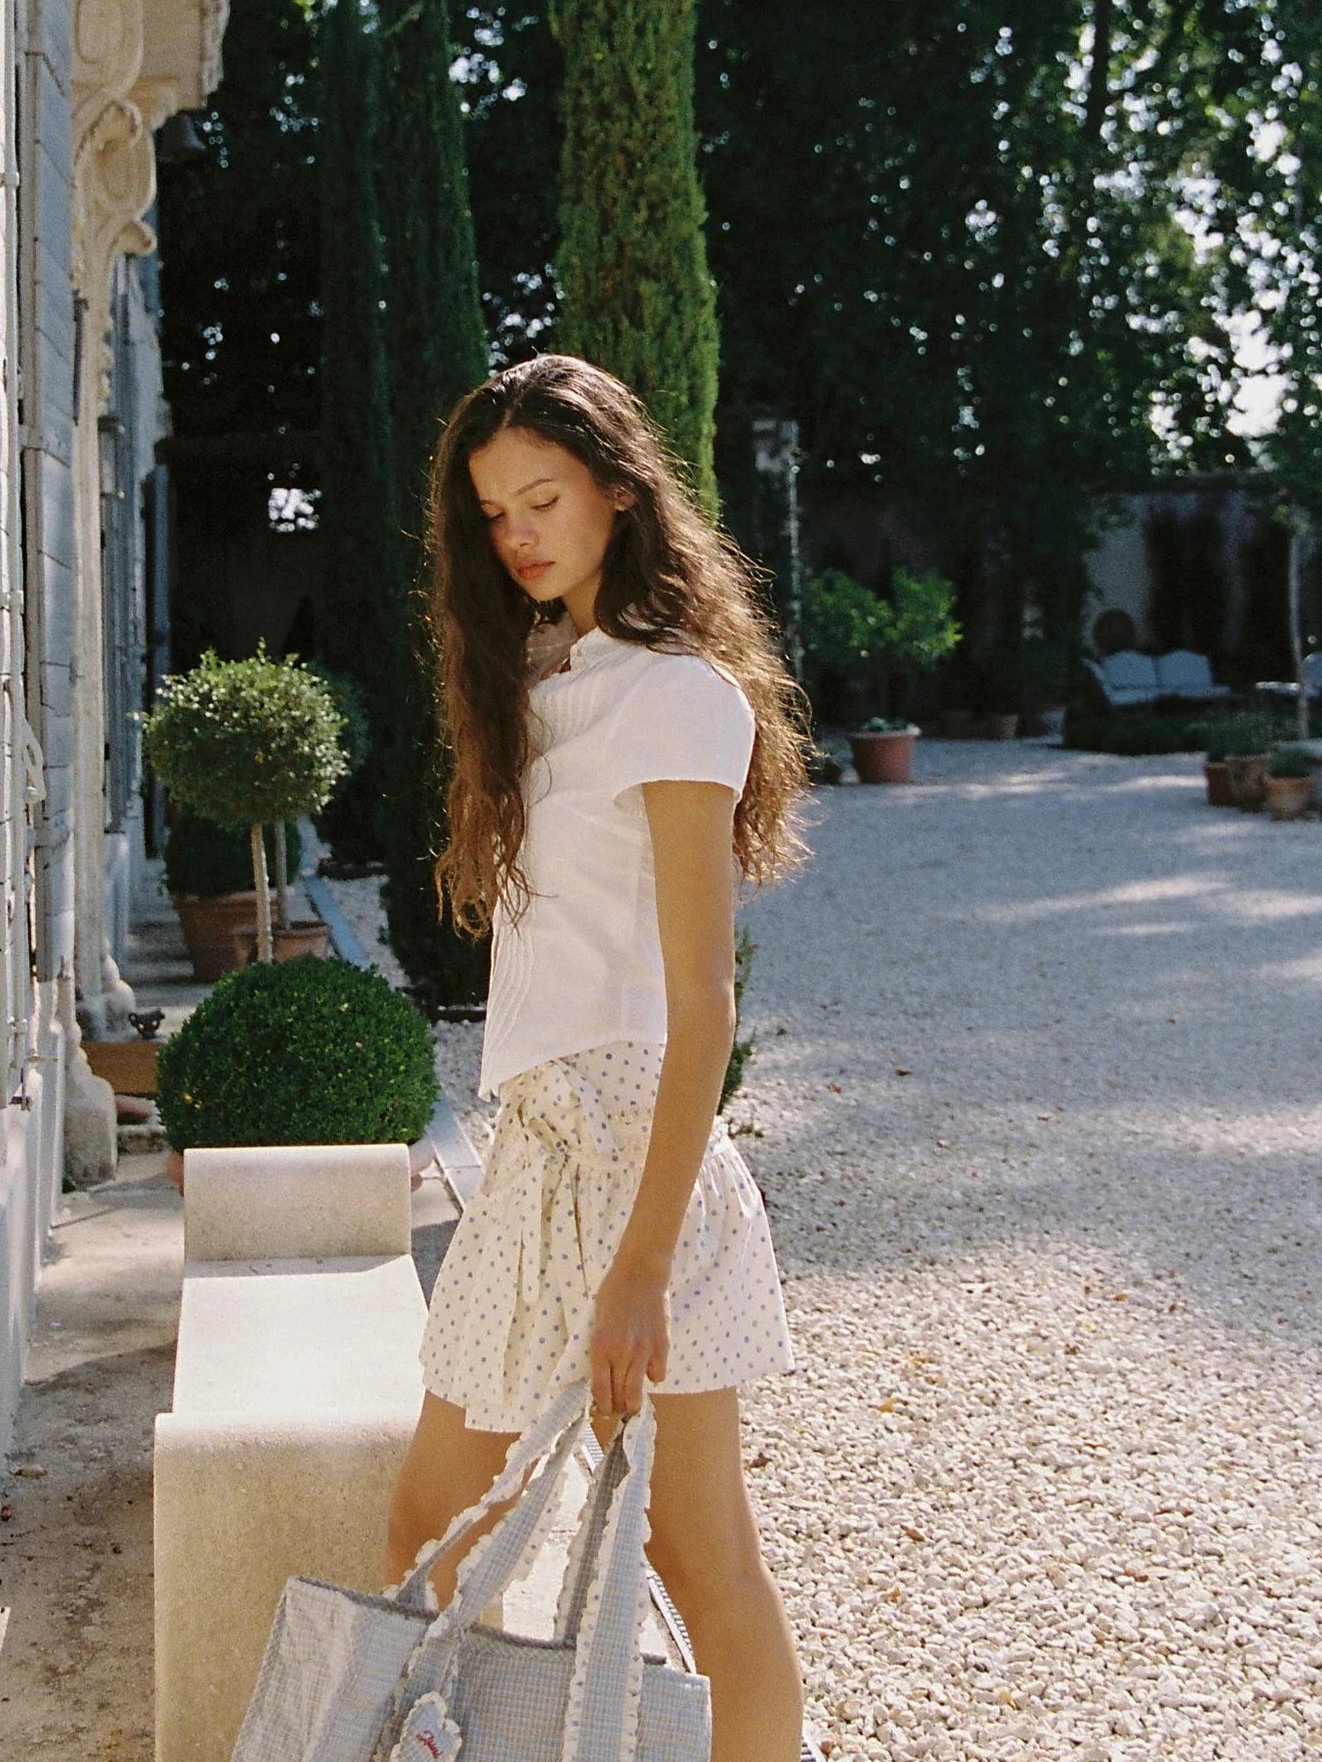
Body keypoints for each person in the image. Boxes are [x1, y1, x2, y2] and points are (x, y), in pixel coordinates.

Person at [384, 355, 813, 1762]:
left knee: (697, 1561)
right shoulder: (543, 682)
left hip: (642, 1165)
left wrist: (638, 1268)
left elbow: (704, 1006)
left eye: (546, 498)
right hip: (536, 1153)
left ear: (623, 495)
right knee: (432, 1525)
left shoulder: (677, 695)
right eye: (497, 511)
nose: (519, 535)